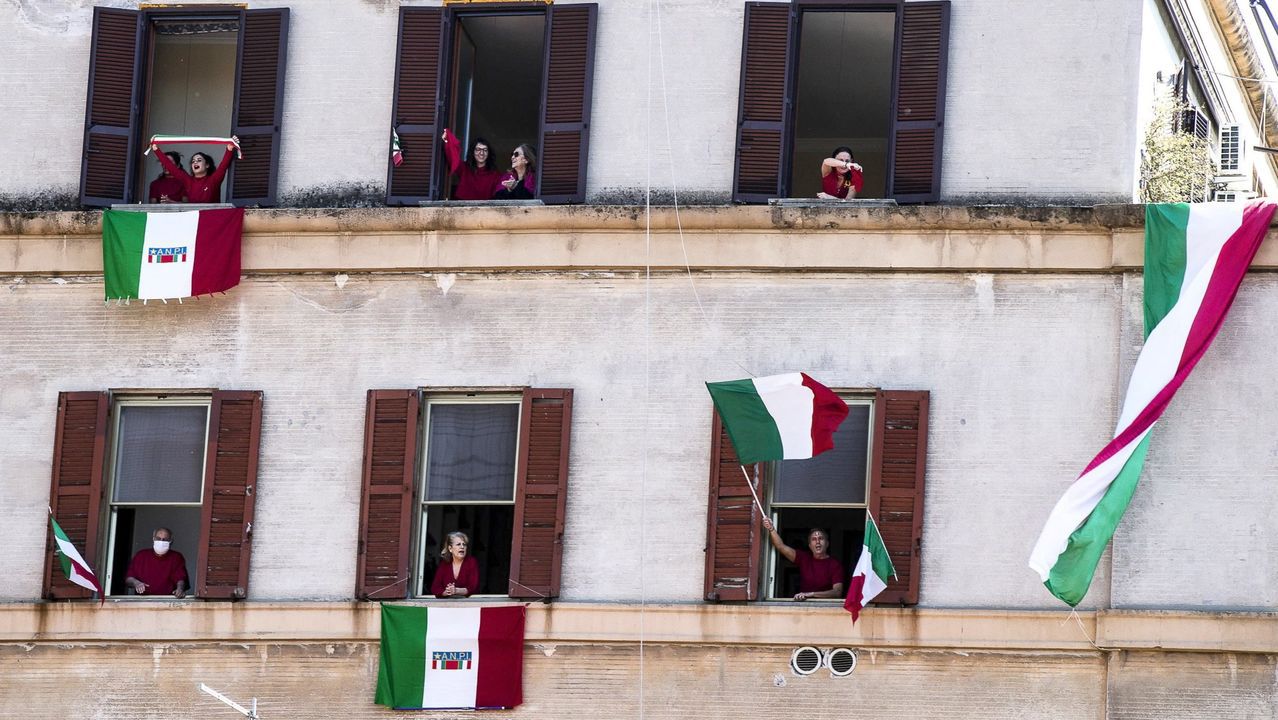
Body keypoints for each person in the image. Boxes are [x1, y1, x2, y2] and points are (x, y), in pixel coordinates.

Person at [761, 517, 844, 601]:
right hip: (804, 606)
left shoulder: (834, 564)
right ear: (810, 545)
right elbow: (781, 546)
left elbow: (837, 592)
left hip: (827, 607)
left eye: (821, 538)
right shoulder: (804, 558)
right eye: (814, 539)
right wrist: (771, 529)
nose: (818, 542)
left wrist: (811, 594)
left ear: (827, 544)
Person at [151, 136, 238, 204]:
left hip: (211, 219)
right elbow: (171, 167)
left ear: (207, 165)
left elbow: (223, 166)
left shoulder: (213, 180)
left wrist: (229, 149)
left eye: (199, 160)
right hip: (193, 221)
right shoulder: (188, 181)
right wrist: (156, 149)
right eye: (193, 161)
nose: (195, 163)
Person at [124, 527, 188, 598]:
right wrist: (136, 583)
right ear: (153, 539)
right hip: (142, 601)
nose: (161, 541)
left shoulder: (176, 557)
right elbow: (129, 578)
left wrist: (180, 589)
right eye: (158, 538)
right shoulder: (141, 555)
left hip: (167, 601)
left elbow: (180, 578)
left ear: (171, 541)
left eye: (165, 539)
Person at [441, 128, 503, 200]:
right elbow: (452, 156)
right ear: (472, 152)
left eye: (485, 150)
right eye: (478, 149)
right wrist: (447, 139)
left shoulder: (495, 175)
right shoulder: (464, 169)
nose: (481, 153)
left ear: (489, 154)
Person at [431, 530, 480, 598]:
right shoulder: (444, 565)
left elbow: (473, 587)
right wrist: (446, 592)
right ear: (450, 548)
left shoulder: (471, 562)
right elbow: (435, 588)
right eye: (458, 544)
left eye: (464, 544)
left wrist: (456, 590)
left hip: (468, 604)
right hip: (447, 604)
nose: (462, 547)